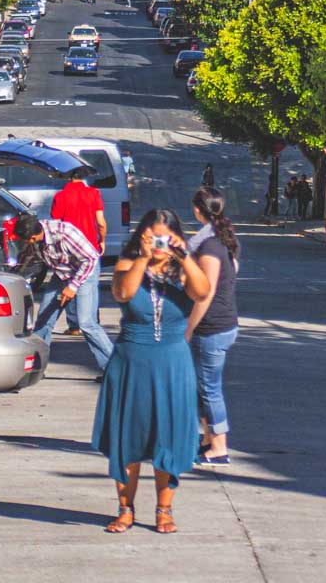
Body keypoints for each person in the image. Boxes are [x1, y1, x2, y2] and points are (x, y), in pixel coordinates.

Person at [93, 209, 210, 534]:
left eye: (164, 237)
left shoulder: (184, 270)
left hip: (173, 364)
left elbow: (202, 293)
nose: (159, 244)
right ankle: (125, 509)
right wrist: (144, 259)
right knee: (126, 438)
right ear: (142, 235)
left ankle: (164, 508)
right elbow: (123, 293)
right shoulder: (128, 265)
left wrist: (183, 256)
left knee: (168, 437)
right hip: (131, 364)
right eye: (153, 236)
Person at [13, 212, 113, 375]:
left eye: (26, 241)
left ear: (33, 237)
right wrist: (15, 273)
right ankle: (37, 367)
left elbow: (90, 259)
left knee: (86, 323)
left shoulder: (64, 233)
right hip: (62, 273)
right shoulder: (35, 238)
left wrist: (73, 286)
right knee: (44, 319)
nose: (25, 244)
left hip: (85, 272)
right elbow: (27, 256)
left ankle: (113, 368)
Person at [187, 188, 239, 467]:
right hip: (223, 322)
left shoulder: (209, 246)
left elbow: (204, 293)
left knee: (209, 388)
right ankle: (208, 438)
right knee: (203, 386)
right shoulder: (222, 239)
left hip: (213, 326)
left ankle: (219, 446)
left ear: (198, 210)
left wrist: (188, 327)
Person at [51, 167, 107, 336]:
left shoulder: (60, 196)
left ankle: (74, 325)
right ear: (85, 177)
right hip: (89, 246)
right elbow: (101, 222)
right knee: (91, 286)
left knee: (70, 282)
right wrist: (102, 239)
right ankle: (92, 323)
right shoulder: (93, 193)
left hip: (68, 248)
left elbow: (56, 223)